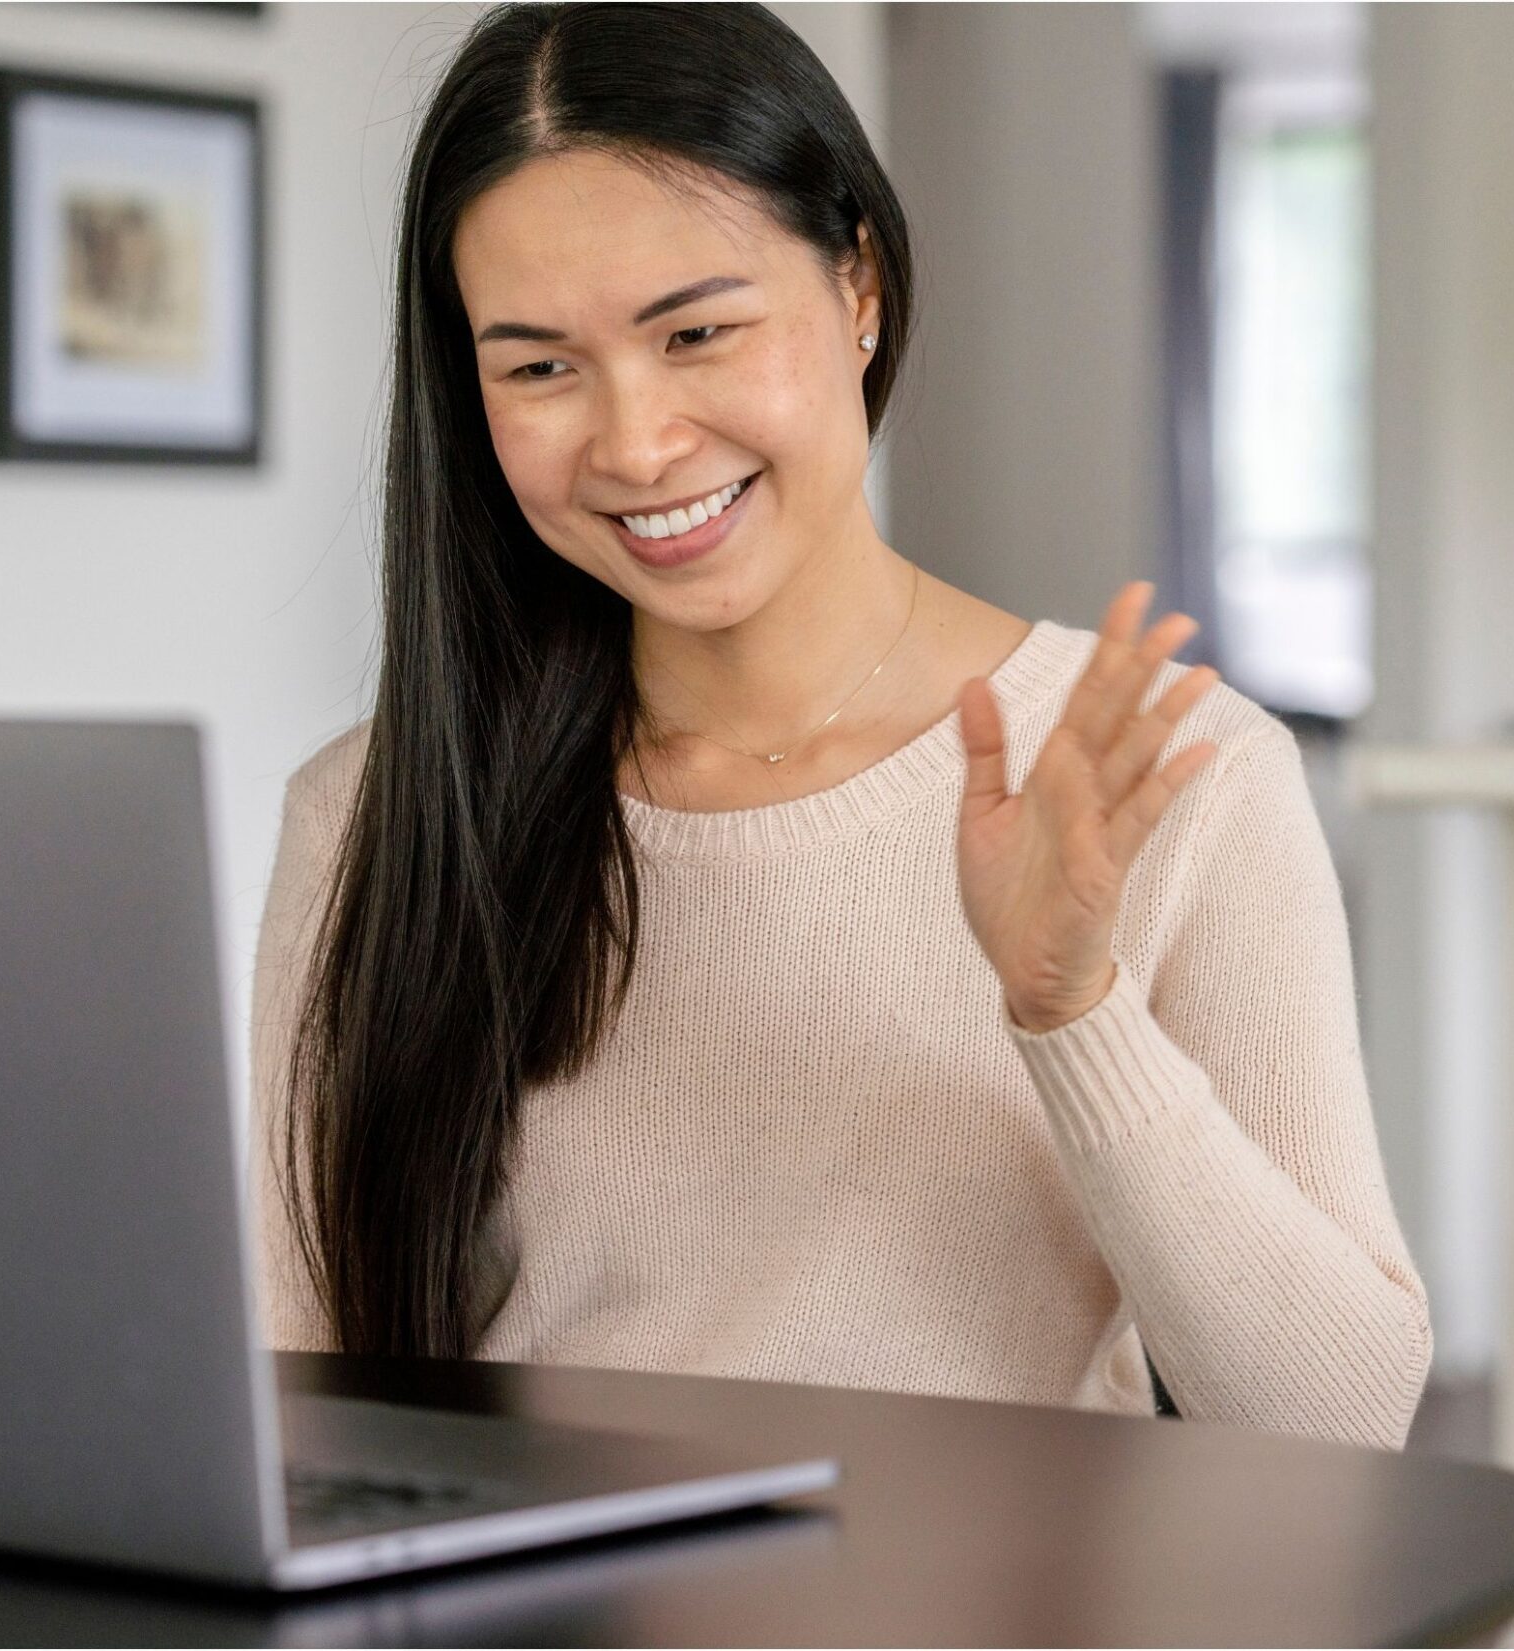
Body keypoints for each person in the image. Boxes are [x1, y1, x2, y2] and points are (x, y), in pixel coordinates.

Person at [250, 0, 1431, 1451]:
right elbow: (296, 1399)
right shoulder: (382, 810)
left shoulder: (1169, 776)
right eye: (540, 365)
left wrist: (1073, 1010)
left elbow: (1344, 1419)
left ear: (857, 283)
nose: (633, 441)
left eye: (697, 331)